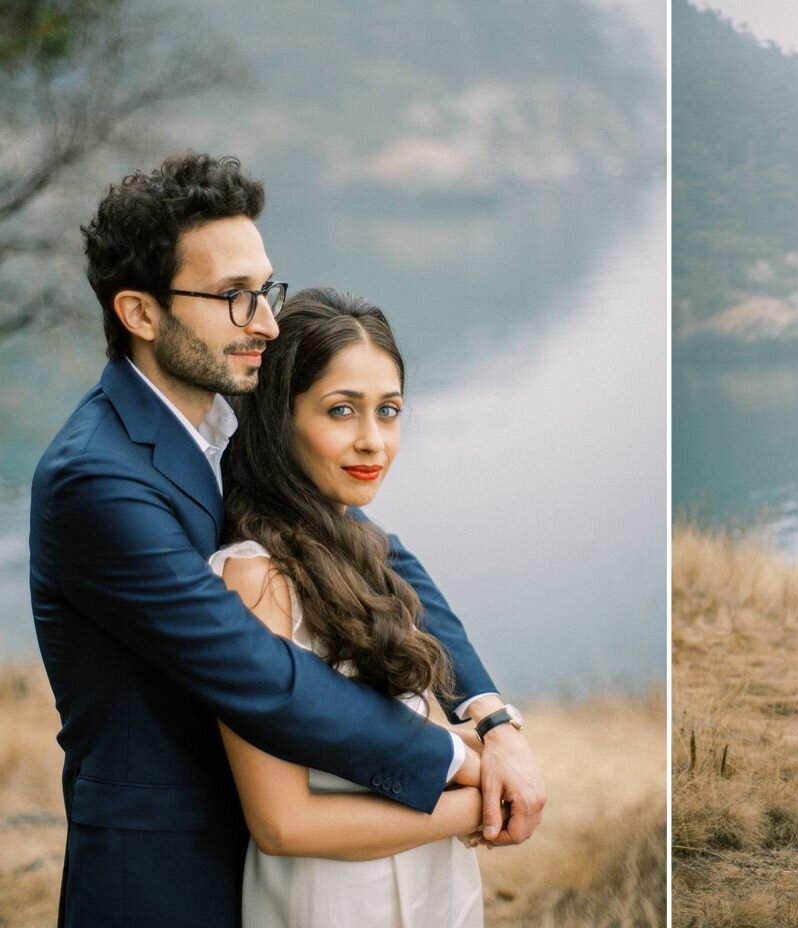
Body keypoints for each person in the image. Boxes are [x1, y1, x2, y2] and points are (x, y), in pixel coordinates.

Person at [29, 152, 545, 927]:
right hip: (165, 872)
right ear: (139, 313)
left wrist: (489, 715)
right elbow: (260, 675)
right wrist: (452, 764)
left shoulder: (221, 426)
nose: (267, 321)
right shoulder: (97, 481)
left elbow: (377, 549)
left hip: (274, 857)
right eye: (235, 298)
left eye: (264, 291)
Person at [212, 288, 489, 925]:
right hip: (331, 905)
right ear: (279, 418)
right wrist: (480, 804)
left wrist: (488, 734)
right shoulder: (257, 580)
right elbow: (282, 822)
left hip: (437, 887)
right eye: (341, 411)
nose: (373, 442)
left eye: (388, 411)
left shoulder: (364, 548)